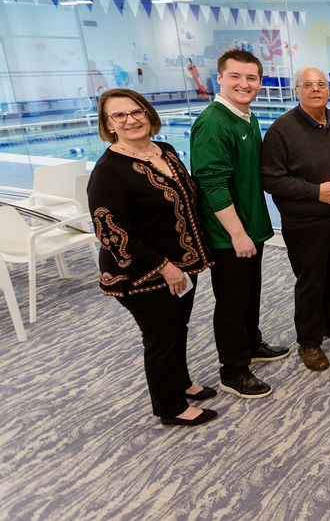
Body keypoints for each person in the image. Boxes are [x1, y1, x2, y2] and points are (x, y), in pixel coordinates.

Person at [87, 89, 217, 426]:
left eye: (136, 111)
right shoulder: (109, 171)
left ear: (148, 113)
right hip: (143, 274)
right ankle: (171, 407)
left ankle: (182, 383)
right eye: (119, 115)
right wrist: (164, 267)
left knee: (178, 327)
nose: (130, 120)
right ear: (108, 124)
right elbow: (112, 235)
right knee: (160, 337)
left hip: (183, 266)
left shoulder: (167, 152)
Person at [191, 49, 289, 400]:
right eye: (236, 76)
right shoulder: (213, 122)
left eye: (251, 78)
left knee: (250, 294)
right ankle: (233, 370)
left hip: (250, 228)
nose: (244, 84)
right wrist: (236, 232)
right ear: (220, 78)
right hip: (229, 235)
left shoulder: (246, 117)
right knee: (231, 302)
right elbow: (211, 184)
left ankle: (250, 343)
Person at [261, 67, 330, 372]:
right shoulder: (282, 129)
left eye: (321, 84)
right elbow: (271, 179)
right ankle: (309, 342)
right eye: (309, 85)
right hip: (306, 223)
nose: (316, 89)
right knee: (312, 282)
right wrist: (315, 192)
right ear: (297, 91)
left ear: (329, 89)